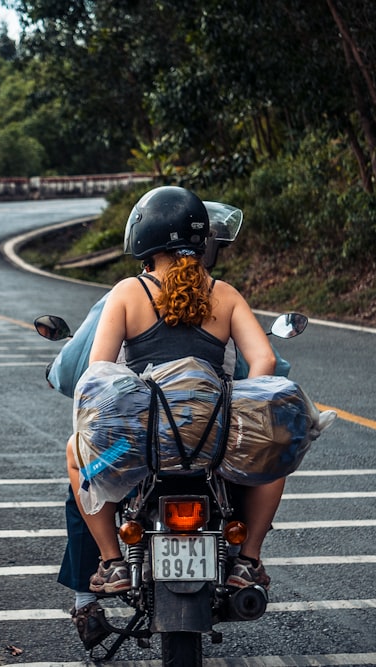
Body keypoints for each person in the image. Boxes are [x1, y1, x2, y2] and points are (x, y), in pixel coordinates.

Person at [62, 185, 278, 647]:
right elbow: (265, 363)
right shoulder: (224, 294)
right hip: (215, 440)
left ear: (146, 242)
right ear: (202, 245)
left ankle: (112, 561)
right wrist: (240, 404)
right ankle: (247, 558)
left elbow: (99, 372)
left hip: (138, 443)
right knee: (270, 454)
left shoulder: (129, 292)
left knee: (77, 458)